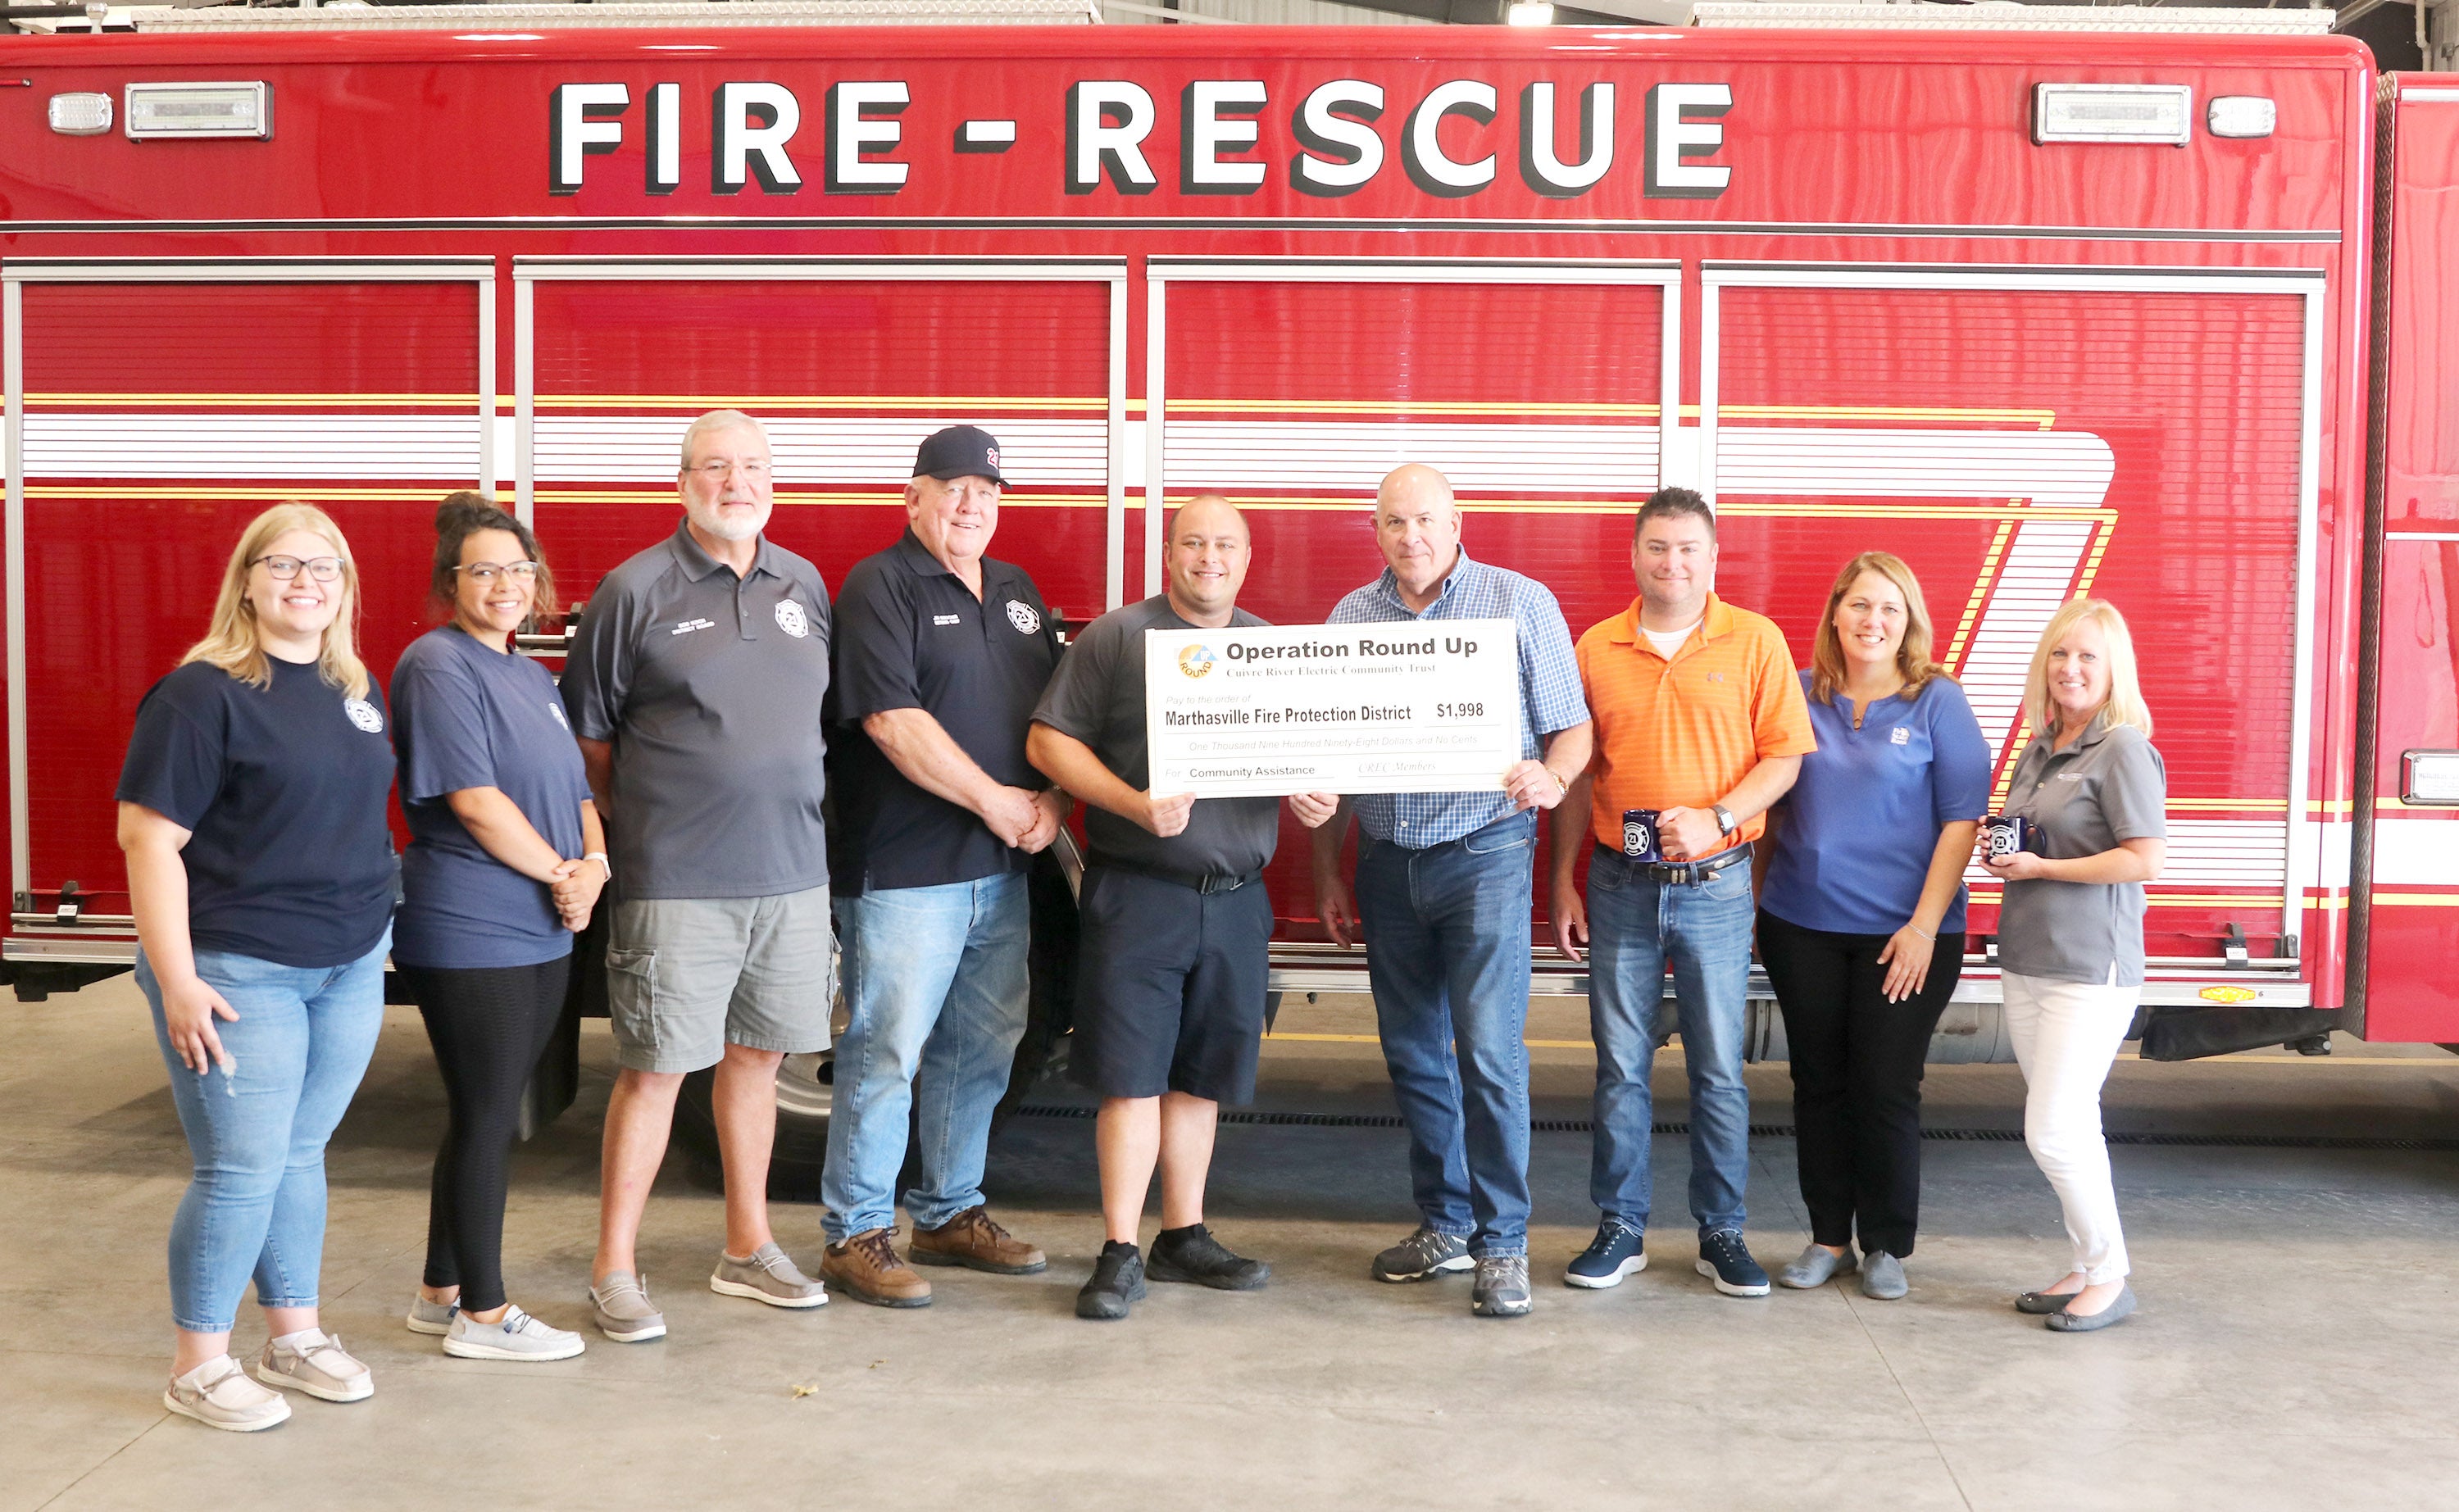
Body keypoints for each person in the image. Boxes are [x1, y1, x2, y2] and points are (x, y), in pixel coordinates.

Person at [117, 503, 398, 1431]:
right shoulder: (202, 695)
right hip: (240, 970)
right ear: (247, 580)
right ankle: (197, 1364)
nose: (306, 582)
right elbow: (149, 841)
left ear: (345, 589)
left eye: (326, 569)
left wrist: (375, 937)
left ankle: (293, 1335)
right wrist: (180, 979)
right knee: (240, 1169)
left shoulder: (353, 689)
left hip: (348, 962)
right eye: (283, 565)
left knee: (300, 1155)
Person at [561, 409, 837, 1341]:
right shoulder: (632, 590)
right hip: (677, 879)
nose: (738, 482)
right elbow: (588, 742)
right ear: (684, 483)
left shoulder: (803, 582)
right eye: (717, 467)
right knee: (655, 1071)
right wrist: (651, 824)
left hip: (793, 876)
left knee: (758, 1060)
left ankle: (746, 1247)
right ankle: (614, 1270)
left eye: (753, 466)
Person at [1028, 497, 1332, 1320]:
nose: (1210, 558)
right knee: (1130, 1080)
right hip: (1141, 895)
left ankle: (1183, 1235)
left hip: (1236, 903)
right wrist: (1130, 802)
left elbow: (1304, 753)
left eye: (1225, 544)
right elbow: (1047, 743)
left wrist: (1312, 793)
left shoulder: (1269, 651)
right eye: (1194, 543)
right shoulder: (1120, 637)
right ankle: (1119, 1249)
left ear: (1247, 556)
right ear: (1169, 553)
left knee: (1199, 1081)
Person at [1307, 464, 1592, 1319]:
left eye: (1425, 519)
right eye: (1394, 522)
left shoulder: (1519, 602)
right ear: (1377, 529)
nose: (1411, 537)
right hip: (1387, 859)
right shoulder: (1351, 618)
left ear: (1456, 519)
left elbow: (1571, 727)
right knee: (1415, 1054)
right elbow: (1326, 749)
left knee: (1490, 1053)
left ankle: (1503, 1246)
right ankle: (1447, 1222)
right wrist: (1325, 862)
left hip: (1485, 852)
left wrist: (1552, 775)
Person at [817, 425, 1068, 1308]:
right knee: (886, 1048)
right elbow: (893, 722)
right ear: (913, 497)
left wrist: (1052, 802)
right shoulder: (881, 586)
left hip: (1000, 872)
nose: (971, 505)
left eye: (987, 493)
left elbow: (1057, 718)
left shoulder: (1019, 593)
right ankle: (855, 1233)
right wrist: (1001, 803)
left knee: (979, 1047)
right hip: (907, 872)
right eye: (953, 489)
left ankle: (949, 1212)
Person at [1550, 487, 1815, 1299]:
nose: (1673, 563)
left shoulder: (1757, 642)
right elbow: (1573, 774)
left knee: (1719, 1072)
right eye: (1658, 548)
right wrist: (1562, 879)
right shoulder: (1594, 649)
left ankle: (1722, 1234)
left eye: (1688, 548)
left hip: (1717, 886)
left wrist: (1720, 817)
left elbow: (1786, 759)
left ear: (1713, 558)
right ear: (1635, 556)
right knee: (1620, 1070)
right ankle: (1621, 1228)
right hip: (1619, 885)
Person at [392, 494, 605, 1361]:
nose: (507, 585)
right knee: (488, 1116)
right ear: (453, 582)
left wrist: (593, 866)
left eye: (520, 569)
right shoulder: (437, 665)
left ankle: (439, 1288)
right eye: (485, 570)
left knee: (483, 1112)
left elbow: (579, 792)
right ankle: (482, 1316)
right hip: (472, 925)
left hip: (544, 921)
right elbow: (476, 803)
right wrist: (563, 874)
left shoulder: (527, 672)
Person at [1754, 552, 1989, 1301]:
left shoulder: (1936, 702)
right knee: (1817, 1082)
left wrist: (1923, 926)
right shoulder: (1797, 694)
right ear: (1835, 615)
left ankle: (1886, 1242)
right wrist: (1763, 905)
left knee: (1886, 1084)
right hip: (1803, 926)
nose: (1873, 621)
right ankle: (1828, 1238)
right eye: (1859, 606)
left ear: (1909, 621)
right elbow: (1769, 804)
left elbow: (1962, 821)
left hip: (1907, 937)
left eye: (1889, 608)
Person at [1981, 597, 2166, 1333]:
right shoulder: (2041, 745)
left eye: (2088, 655)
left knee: (2053, 1129)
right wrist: (2010, 858)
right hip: (2030, 959)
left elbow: (2145, 856)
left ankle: (2111, 1272)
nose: (2071, 668)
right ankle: (2087, 1266)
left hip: (2091, 967)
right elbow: (2034, 843)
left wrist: (2045, 870)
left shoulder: (2121, 749)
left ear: (2113, 668)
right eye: (2061, 654)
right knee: (2072, 1124)